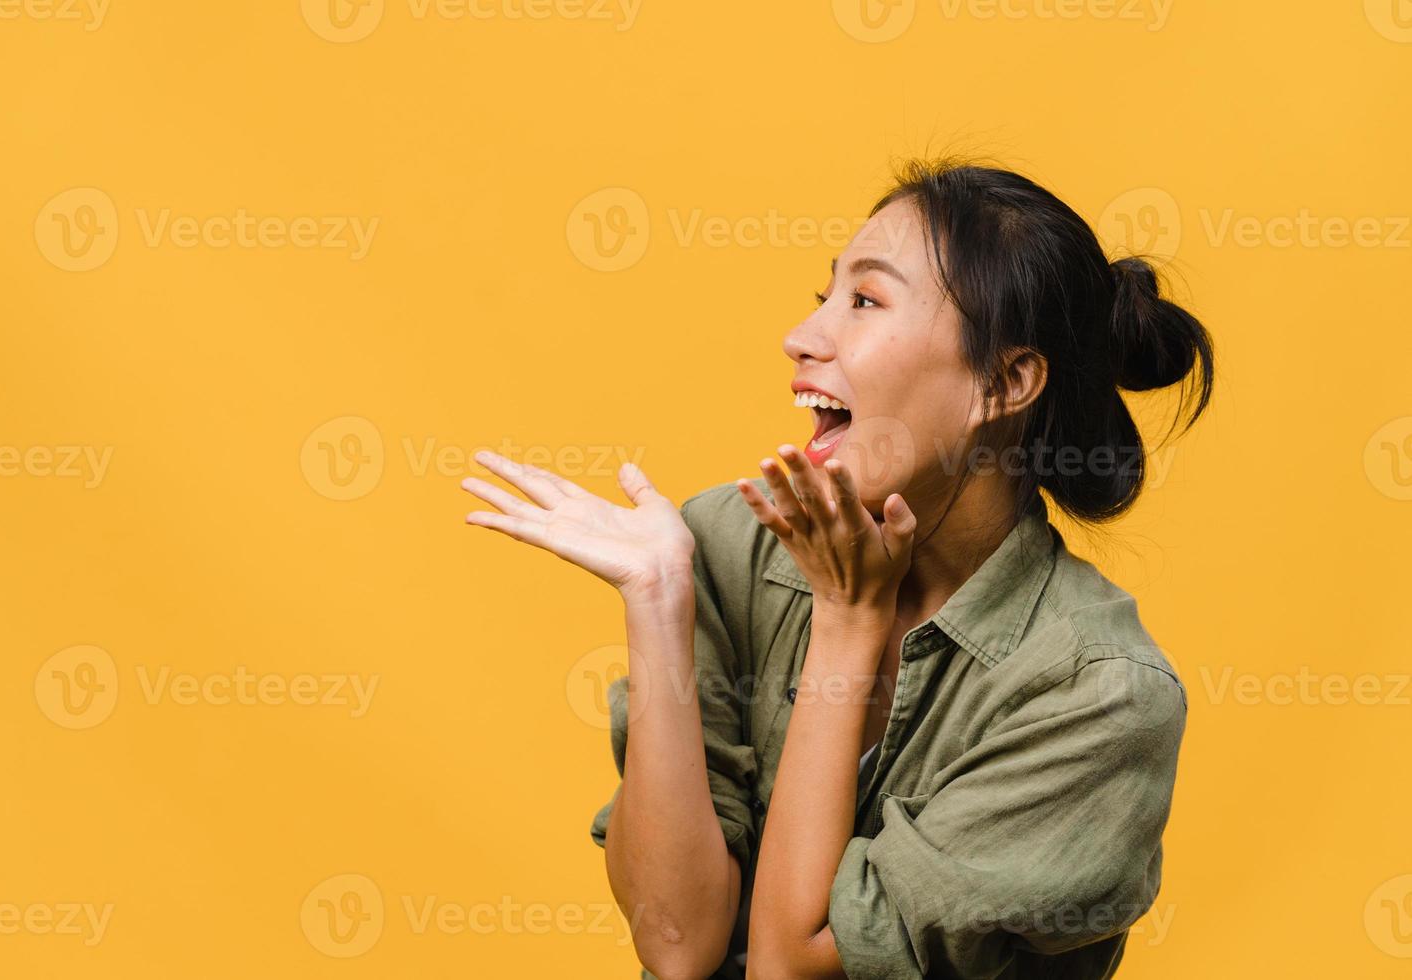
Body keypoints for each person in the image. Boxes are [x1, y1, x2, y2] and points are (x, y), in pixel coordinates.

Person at [461, 158, 1214, 979]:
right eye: (823, 296)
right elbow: (676, 945)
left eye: (864, 301)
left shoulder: (1099, 695)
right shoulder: (724, 546)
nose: (803, 336)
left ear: (1004, 381)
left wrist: (847, 622)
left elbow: (790, 965)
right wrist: (659, 598)